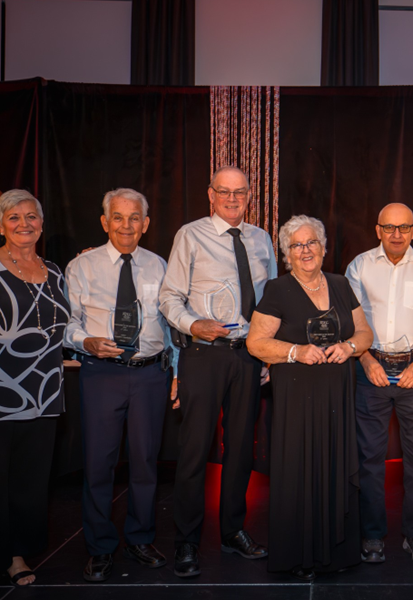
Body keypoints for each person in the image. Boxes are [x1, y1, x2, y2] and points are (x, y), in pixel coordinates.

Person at [159, 166, 276, 577]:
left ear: (249, 195)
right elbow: (169, 298)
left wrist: (266, 356)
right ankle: (187, 543)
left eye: (239, 192)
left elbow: (271, 304)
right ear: (210, 195)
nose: (231, 199)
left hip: (248, 356)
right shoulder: (189, 236)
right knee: (194, 452)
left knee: (242, 449)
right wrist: (193, 325)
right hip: (204, 354)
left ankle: (233, 532)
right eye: (223, 192)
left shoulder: (261, 239)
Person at [247, 215, 373, 581]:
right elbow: (256, 343)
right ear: (287, 253)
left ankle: (339, 551)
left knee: (336, 464)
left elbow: (365, 333)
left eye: (311, 243)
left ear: (323, 247)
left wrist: (348, 347)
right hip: (296, 397)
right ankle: (299, 553)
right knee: (299, 469)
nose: (305, 250)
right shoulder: (278, 289)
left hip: (337, 394)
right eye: (297, 245)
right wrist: (295, 352)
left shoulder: (340, 284)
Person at [64, 188, 178, 582]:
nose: (126, 225)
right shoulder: (81, 267)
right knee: (99, 464)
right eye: (118, 217)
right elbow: (68, 323)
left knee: (146, 463)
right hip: (102, 374)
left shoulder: (161, 265)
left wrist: (175, 371)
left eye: (134, 218)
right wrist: (86, 342)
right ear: (104, 222)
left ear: (145, 224)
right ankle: (99, 547)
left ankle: (140, 539)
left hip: (150, 374)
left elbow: (170, 323)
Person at [0, 190, 70, 600]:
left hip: (44, 394)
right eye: (14, 218)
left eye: (32, 217)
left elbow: (61, 329)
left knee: (29, 485)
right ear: (0, 226)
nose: (24, 224)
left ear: (42, 225)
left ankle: (16, 557)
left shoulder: (55, 271)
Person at [345, 202, 413, 564]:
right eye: (389, 227)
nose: (396, 234)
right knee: (368, 458)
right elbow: (349, 321)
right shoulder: (358, 266)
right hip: (370, 370)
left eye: (403, 227)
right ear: (378, 230)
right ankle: (372, 536)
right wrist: (366, 359)